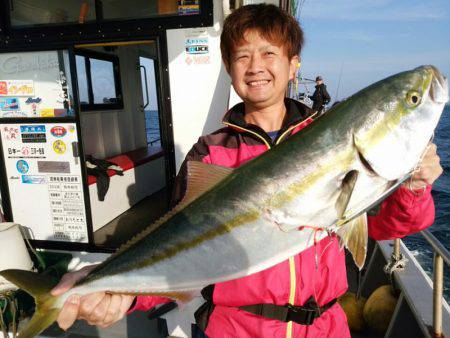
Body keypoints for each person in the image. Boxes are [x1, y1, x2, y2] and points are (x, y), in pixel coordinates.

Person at [51, 4, 443, 337]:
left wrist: (414, 186)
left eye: (269, 53)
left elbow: (385, 228)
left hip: (325, 326)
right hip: (236, 328)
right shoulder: (211, 154)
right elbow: (181, 250)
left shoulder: (334, 144)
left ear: (294, 65)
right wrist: (125, 293)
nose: (256, 67)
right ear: (229, 67)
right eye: (242, 56)